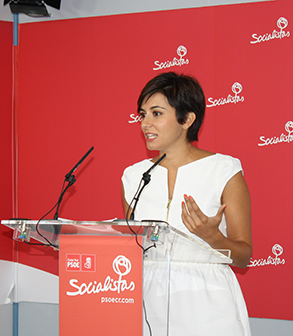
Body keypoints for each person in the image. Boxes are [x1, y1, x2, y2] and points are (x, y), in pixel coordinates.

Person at [121, 72, 252, 335]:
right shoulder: (133, 176)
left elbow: (243, 257)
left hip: (206, 301)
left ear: (187, 119)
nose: (146, 123)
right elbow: (132, 244)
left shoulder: (224, 169)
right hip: (148, 300)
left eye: (156, 113)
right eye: (142, 114)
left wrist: (213, 237)